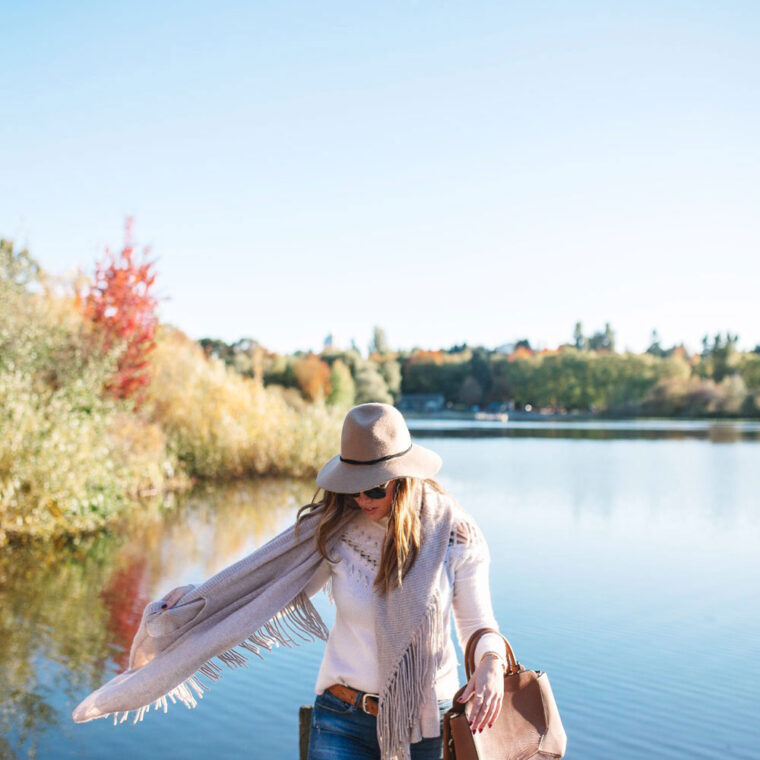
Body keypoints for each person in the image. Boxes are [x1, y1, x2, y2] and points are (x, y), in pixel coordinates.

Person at [74, 403, 507, 760]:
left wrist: (490, 664)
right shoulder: (335, 529)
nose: (361, 499)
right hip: (342, 717)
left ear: (406, 481)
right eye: (352, 486)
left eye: (374, 489)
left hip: (425, 726)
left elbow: (477, 622)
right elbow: (260, 580)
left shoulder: (453, 533)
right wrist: (194, 603)